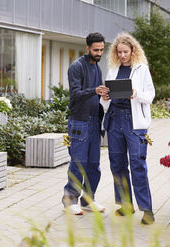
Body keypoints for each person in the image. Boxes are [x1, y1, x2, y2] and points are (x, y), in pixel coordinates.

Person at [101, 33, 155, 224]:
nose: (123, 55)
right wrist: (104, 97)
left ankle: (147, 210)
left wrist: (135, 93)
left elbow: (149, 96)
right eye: (119, 52)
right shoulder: (113, 69)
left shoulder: (141, 69)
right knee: (117, 164)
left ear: (133, 50)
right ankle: (126, 205)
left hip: (134, 123)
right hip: (114, 119)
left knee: (138, 164)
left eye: (126, 51)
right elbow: (105, 97)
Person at [62, 32, 109, 215]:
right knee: (78, 163)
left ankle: (88, 200)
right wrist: (94, 90)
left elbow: (94, 94)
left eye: (101, 50)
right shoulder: (76, 67)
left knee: (94, 165)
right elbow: (75, 95)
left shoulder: (97, 68)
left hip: (94, 121)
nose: (99, 53)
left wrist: (103, 94)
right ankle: (70, 200)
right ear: (87, 48)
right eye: (96, 49)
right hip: (79, 122)